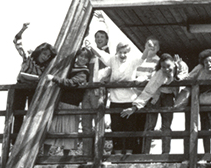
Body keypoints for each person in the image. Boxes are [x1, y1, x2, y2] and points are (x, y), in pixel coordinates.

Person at [120, 54, 180, 154]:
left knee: (166, 126)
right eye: (163, 67)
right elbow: (148, 91)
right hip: (156, 97)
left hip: (169, 97)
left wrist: (174, 76)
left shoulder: (180, 68)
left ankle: (165, 154)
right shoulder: (159, 74)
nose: (166, 69)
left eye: (168, 66)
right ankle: (145, 154)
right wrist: (135, 107)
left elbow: (184, 78)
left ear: (173, 64)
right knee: (150, 125)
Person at [11, 22, 57, 142]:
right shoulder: (29, 58)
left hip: (34, 89)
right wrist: (22, 29)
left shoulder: (45, 67)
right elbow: (17, 42)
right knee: (18, 113)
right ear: (40, 51)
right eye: (44, 54)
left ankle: (28, 139)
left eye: (48, 56)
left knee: (32, 114)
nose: (45, 57)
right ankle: (15, 140)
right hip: (21, 87)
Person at [49, 47, 93, 157]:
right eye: (81, 56)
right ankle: (45, 156)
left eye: (85, 57)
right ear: (77, 56)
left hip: (72, 105)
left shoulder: (84, 72)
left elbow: (72, 83)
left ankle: (65, 157)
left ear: (88, 60)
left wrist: (55, 79)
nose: (82, 59)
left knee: (69, 132)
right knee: (53, 130)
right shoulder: (69, 68)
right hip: (61, 103)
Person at [101, 42, 142, 154]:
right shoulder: (113, 61)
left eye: (125, 52)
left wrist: (148, 49)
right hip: (115, 101)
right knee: (116, 129)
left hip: (130, 101)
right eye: (120, 52)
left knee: (130, 129)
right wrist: (90, 46)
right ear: (117, 52)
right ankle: (117, 154)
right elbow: (101, 55)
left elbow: (143, 57)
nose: (123, 55)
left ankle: (128, 155)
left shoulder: (133, 61)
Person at [186, 49, 211, 154]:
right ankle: (206, 153)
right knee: (205, 130)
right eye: (206, 62)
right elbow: (189, 79)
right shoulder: (200, 73)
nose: (208, 64)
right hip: (203, 104)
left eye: (210, 61)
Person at [80, 29, 111, 157]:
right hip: (87, 90)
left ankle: (99, 154)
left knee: (99, 123)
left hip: (98, 91)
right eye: (97, 37)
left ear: (106, 39)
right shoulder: (90, 54)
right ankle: (86, 154)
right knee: (86, 124)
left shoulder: (108, 54)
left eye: (102, 37)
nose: (99, 39)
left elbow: (109, 72)